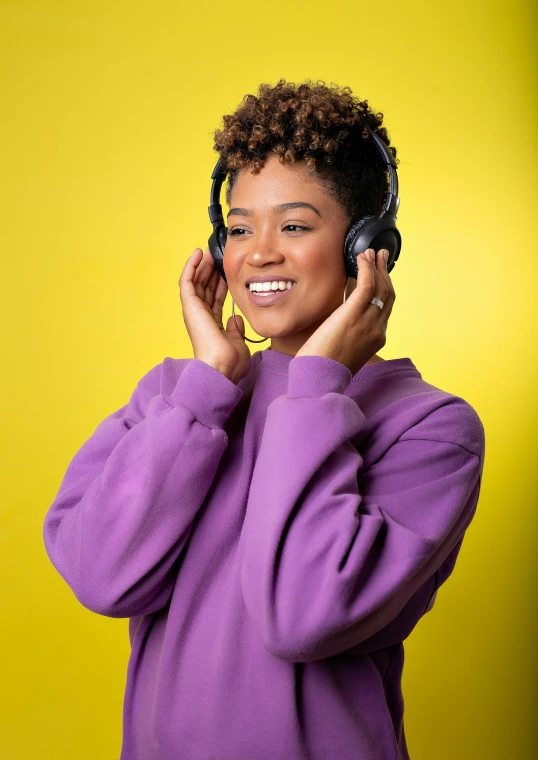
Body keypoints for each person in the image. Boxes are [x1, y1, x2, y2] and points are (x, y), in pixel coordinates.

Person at [43, 79, 486, 760]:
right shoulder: (175, 398)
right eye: (241, 226)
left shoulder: (431, 430)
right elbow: (103, 578)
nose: (258, 253)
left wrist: (316, 386)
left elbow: (303, 617)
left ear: (368, 247)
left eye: (296, 225)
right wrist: (208, 388)